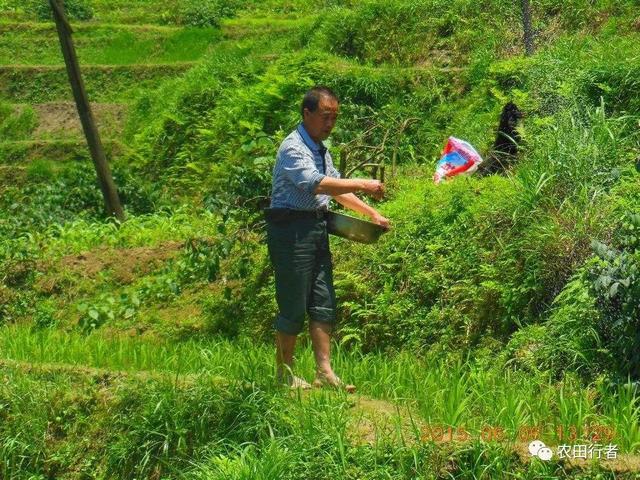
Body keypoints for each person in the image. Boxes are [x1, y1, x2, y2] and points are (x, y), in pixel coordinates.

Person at [264, 86, 390, 392]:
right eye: (325, 116)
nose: (330, 123)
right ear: (307, 114)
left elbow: (336, 189)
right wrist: (362, 182)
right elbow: (315, 184)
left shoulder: (321, 150)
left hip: (317, 228)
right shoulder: (293, 148)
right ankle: (285, 373)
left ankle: (324, 372)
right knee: (293, 303)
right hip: (290, 230)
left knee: (323, 301)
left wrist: (371, 213)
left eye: (334, 117)